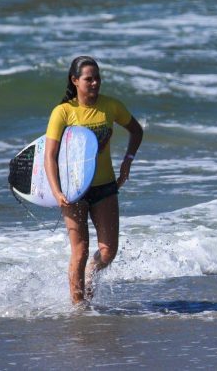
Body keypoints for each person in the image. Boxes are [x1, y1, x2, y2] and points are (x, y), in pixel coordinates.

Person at [44, 56, 143, 305]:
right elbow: (49, 156)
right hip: (73, 190)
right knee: (80, 251)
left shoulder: (110, 106)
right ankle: (79, 310)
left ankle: (90, 276)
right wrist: (57, 192)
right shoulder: (63, 112)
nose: (95, 83)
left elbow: (136, 130)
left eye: (98, 78)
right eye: (89, 79)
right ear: (75, 80)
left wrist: (127, 161)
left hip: (105, 186)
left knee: (108, 252)